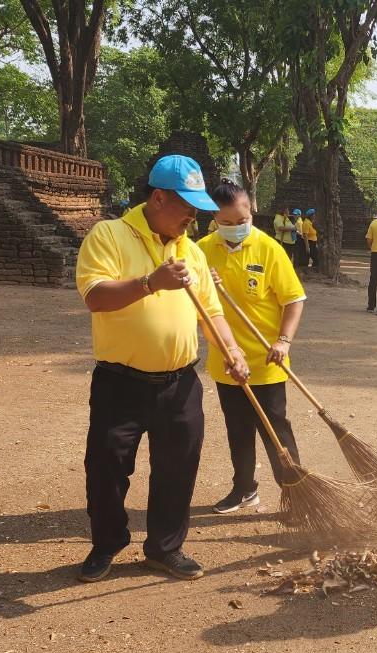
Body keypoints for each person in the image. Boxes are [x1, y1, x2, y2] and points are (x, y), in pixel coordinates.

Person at [74, 155, 250, 583]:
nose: (193, 216)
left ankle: (165, 548)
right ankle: (107, 544)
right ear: (157, 198)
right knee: (107, 467)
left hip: (179, 383)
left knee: (179, 466)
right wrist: (150, 282)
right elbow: (95, 297)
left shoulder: (190, 251)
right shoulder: (109, 235)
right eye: (186, 206)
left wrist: (231, 349)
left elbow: (211, 313)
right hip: (121, 383)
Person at [198, 181, 308, 511]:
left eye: (240, 221)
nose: (234, 229)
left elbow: (294, 300)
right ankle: (244, 488)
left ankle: (296, 495)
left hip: (266, 360)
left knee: (277, 433)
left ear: (251, 212)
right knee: (238, 430)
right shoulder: (201, 250)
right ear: (214, 219)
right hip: (226, 362)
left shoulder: (269, 249)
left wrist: (284, 341)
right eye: (226, 223)